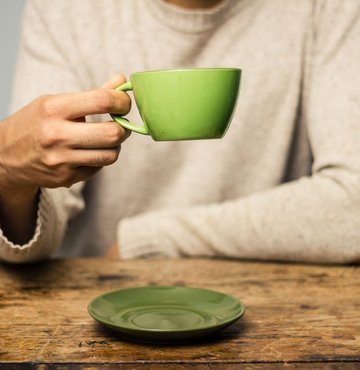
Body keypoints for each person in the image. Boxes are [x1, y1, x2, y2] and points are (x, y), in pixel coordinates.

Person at [0, 0, 359, 264]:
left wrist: (152, 238)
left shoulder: (328, 8)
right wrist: (11, 176)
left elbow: (353, 205)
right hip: (98, 310)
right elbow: (31, 243)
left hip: (271, 312)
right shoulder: (62, 10)